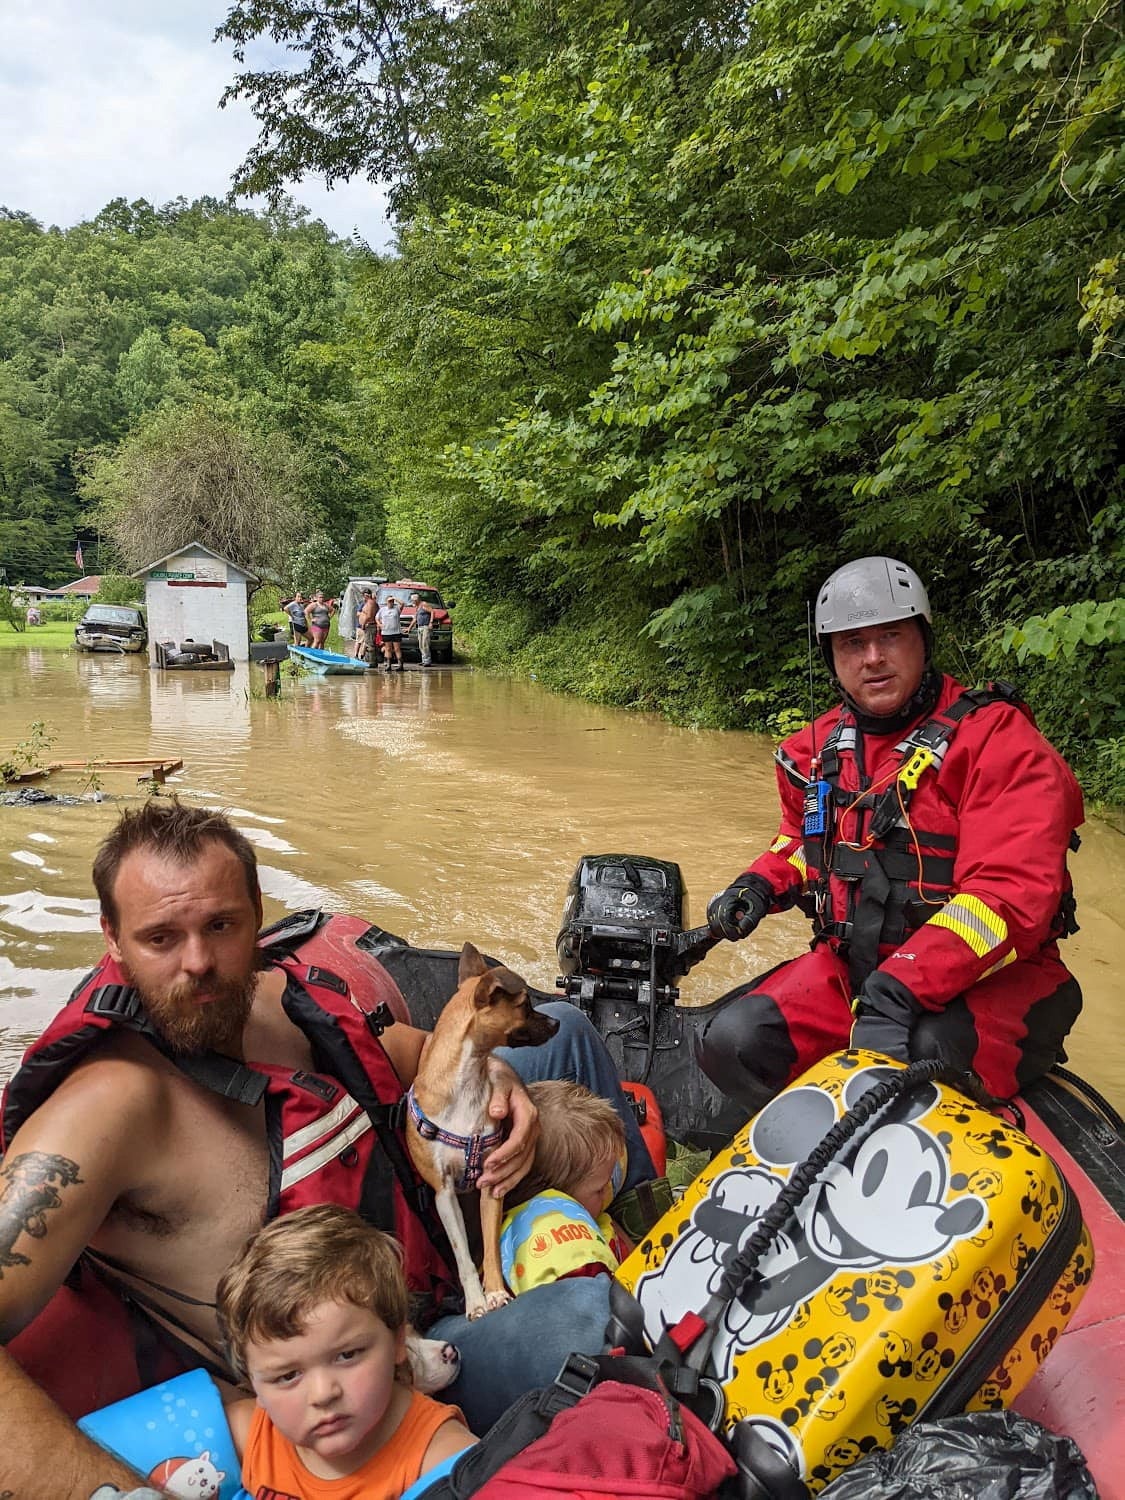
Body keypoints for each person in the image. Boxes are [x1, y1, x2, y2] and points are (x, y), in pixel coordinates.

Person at [0, 801, 654, 1496]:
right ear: (113, 938)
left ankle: (648, 1228)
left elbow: (416, 1057)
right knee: (591, 1320)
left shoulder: (280, 999)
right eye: (160, 938)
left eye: (220, 926)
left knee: (566, 1029)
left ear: (257, 912)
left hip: (424, 1246)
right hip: (368, 1371)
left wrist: (493, 1076)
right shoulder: (107, 1111)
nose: (198, 963)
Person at [697, 556, 1084, 1118]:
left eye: (890, 637)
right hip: (861, 970)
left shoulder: (998, 742)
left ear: (923, 641)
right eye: (853, 643)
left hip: (990, 979)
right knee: (733, 1043)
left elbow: (1008, 898)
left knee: (925, 1055)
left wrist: (898, 988)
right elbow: (803, 843)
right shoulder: (814, 752)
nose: (873, 658)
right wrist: (760, 882)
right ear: (832, 658)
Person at [218, 1205, 476, 1500]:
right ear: (254, 1386)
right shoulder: (249, 1433)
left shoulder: (445, 1461)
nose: (323, 1394)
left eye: (347, 1355)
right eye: (288, 1375)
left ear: (397, 1341)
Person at [499, 1082, 630, 1295]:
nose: (609, 1192)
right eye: (598, 1190)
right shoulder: (565, 1255)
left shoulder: (595, 1214)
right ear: (558, 1200)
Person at [377, 596, 404, 671]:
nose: (391, 602)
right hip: (386, 632)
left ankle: (400, 665)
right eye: (389, 601)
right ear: (386, 602)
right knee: (388, 648)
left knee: (397, 649)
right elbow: (377, 618)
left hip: (396, 632)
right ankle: (388, 665)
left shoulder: (397, 609)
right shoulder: (382, 610)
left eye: (392, 601)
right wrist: (379, 624)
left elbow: (402, 603)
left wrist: (395, 598)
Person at [355, 589, 379, 663]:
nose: (364, 597)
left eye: (365, 595)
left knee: (369, 645)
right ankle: (368, 660)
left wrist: (363, 624)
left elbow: (369, 616)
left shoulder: (370, 603)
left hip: (370, 625)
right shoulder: (369, 603)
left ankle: (371, 662)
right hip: (369, 625)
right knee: (367, 644)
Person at [411, 595, 434, 668]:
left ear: (417, 600)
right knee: (420, 644)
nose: (413, 602)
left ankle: (427, 661)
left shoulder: (423, 604)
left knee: (425, 643)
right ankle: (424, 660)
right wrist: (409, 628)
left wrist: (431, 622)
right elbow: (415, 619)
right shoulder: (417, 607)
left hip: (425, 626)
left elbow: (432, 612)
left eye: (413, 600)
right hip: (420, 627)